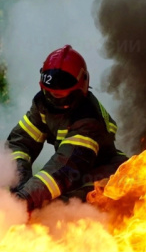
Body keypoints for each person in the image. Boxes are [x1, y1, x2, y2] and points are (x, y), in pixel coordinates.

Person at [7, 45, 127, 212]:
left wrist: (24, 200)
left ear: (81, 88)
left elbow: (65, 169)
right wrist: (18, 185)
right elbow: (19, 144)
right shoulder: (42, 103)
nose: (55, 103)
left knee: (52, 213)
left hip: (106, 180)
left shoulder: (88, 118)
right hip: (73, 179)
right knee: (34, 204)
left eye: (63, 96)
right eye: (50, 94)